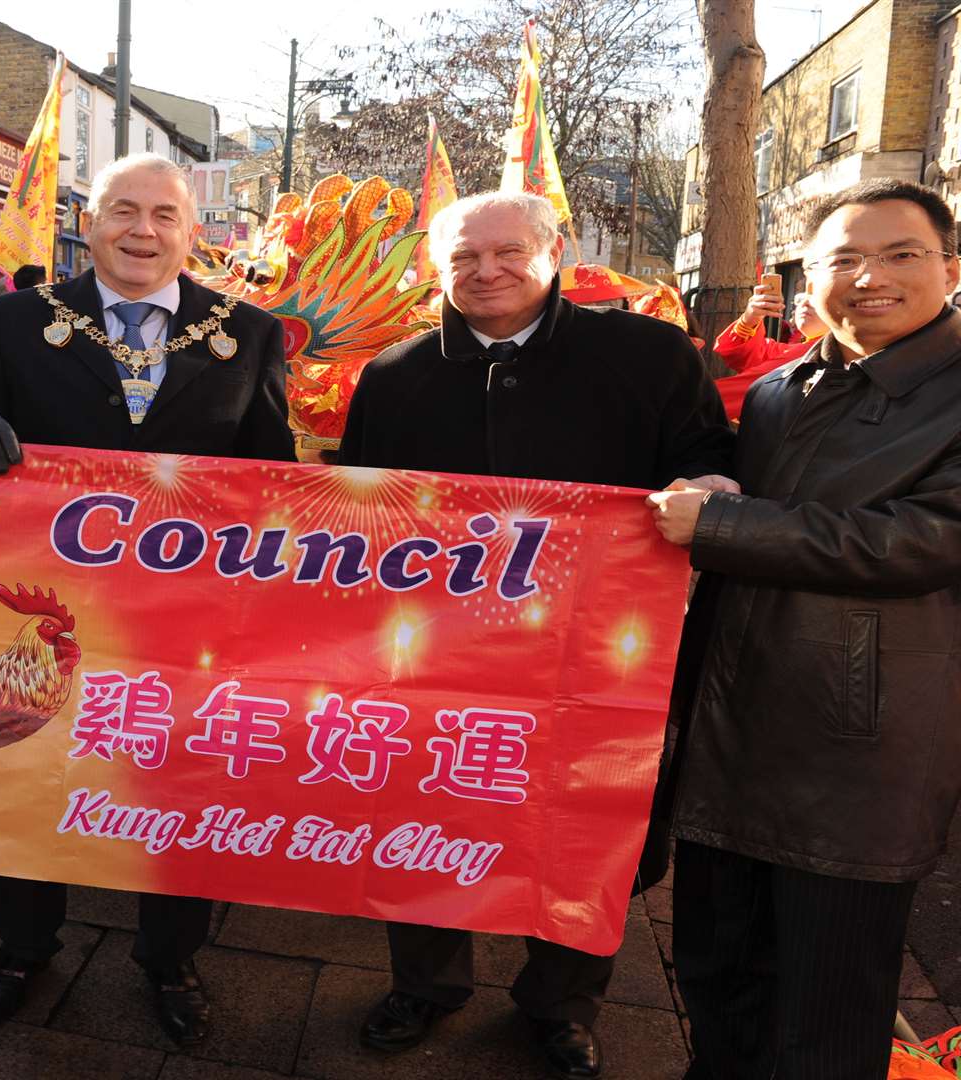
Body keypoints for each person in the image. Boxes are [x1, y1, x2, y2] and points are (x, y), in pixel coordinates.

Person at [337, 191, 735, 1080]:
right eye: (464, 259)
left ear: (557, 249)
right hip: (437, 654)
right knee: (426, 809)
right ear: (434, 270)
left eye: (509, 252)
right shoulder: (393, 374)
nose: (487, 273)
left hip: (601, 655)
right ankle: (427, 986)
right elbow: (356, 512)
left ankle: (561, 1003)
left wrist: (711, 486)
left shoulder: (648, 354)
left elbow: (710, 456)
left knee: (586, 825)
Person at [0, 152, 295, 1046]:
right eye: (123, 211)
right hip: (44, 612)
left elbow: (276, 476)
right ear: (88, 223)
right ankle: (22, 948)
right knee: (26, 765)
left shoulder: (247, 332)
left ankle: (170, 958)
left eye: (164, 215)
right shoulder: (18, 319)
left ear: (192, 230)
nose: (143, 231)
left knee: (178, 780)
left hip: (186, 619)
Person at [647, 179, 961, 1079]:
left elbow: (928, 539)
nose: (870, 277)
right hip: (733, 731)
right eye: (843, 258)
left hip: (861, 751)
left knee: (826, 1008)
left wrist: (722, 528)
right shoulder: (786, 386)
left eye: (900, 254)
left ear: (948, 266)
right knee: (717, 974)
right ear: (805, 277)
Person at [712, 281, 826, 421]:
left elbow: (726, 396)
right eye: (800, 298)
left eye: (816, 297)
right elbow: (738, 354)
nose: (805, 302)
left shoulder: (822, 352)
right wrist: (750, 319)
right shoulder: (793, 350)